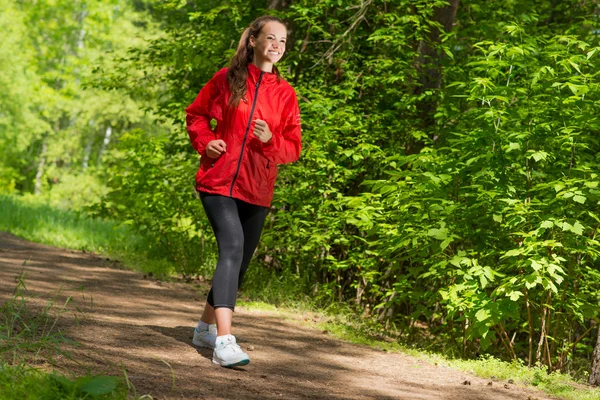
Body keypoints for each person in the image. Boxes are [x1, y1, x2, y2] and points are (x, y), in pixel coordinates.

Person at [185, 15, 302, 368]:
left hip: (257, 189)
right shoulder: (227, 79)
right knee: (232, 247)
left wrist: (271, 141)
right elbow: (196, 115)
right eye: (270, 38)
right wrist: (207, 142)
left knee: (239, 264)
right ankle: (224, 341)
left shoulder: (285, 94)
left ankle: (204, 328)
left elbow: (293, 148)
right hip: (218, 182)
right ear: (253, 41)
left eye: (282, 40)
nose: (277, 45)